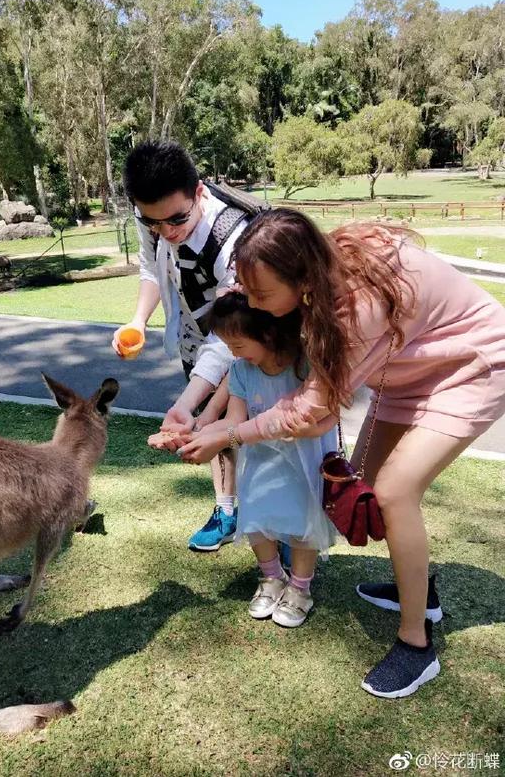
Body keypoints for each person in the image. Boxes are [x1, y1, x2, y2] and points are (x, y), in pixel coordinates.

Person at [178, 210, 505, 698]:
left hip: (470, 366)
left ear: (303, 276)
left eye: (263, 296)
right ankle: (417, 591)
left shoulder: (357, 311)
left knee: (394, 495)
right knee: (362, 492)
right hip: (406, 370)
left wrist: (231, 436)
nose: (254, 304)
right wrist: (193, 407)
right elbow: (241, 331)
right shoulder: (310, 263)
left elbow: (314, 413)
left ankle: (416, 644)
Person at [113, 140, 251, 551]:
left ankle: (273, 523)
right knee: (213, 428)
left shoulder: (233, 238)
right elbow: (150, 263)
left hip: (246, 338)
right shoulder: (154, 217)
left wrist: (188, 403)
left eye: (176, 219)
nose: (166, 231)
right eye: (153, 222)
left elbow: (228, 340)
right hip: (195, 331)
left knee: (247, 429)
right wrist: (139, 319)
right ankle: (226, 510)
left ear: (199, 192)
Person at [202, 291, 337, 626]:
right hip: (260, 460)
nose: (234, 354)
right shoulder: (240, 371)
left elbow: (324, 410)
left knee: (304, 523)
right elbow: (234, 421)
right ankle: (271, 579)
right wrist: (196, 435)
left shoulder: (303, 365)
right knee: (258, 519)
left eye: (238, 345)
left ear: (267, 333)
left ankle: (300, 589)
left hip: (305, 460)